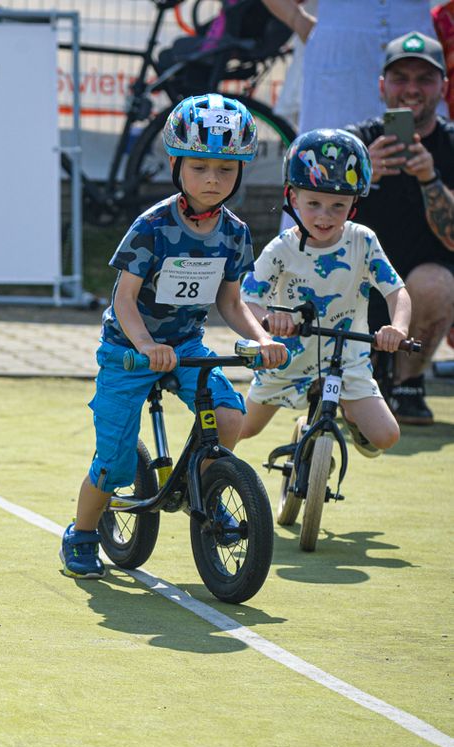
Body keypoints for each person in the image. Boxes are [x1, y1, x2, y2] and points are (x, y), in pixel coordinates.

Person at [59, 94, 288, 579]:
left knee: (230, 417)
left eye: (225, 171)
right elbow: (123, 299)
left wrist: (258, 338)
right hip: (129, 350)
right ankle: (81, 533)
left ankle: (201, 486)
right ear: (176, 166)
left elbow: (230, 302)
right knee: (116, 460)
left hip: (184, 347)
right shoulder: (152, 227)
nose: (212, 179)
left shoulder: (234, 233)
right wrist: (144, 345)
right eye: (200, 167)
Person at [238, 129, 411, 455]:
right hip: (286, 355)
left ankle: (348, 412)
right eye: (313, 203)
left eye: (337, 205)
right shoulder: (281, 249)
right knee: (244, 427)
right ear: (293, 199)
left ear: (353, 205)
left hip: (345, 358)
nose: (324, 215)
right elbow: (247, 300)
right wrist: (270, 319)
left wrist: (398, 328)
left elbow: (396, 291)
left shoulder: (363, 241)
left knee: (386, 436)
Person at [346, 31, 454, 425]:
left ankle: (408, 383)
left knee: (436, 284)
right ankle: (363, 371)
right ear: (381, 86)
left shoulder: (450, 145)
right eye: (400, 78)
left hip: (420, 290)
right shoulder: (355, 142)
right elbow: (313, 221)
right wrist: (358, 173)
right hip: (355, 286)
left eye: (424, 79)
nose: (411, 89)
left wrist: (430, 179)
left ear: (442, 87)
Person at [260, 0, 439, 133]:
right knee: (335, 158)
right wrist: (298, 20)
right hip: (342, 59)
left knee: (418, 157)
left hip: (417, 55)